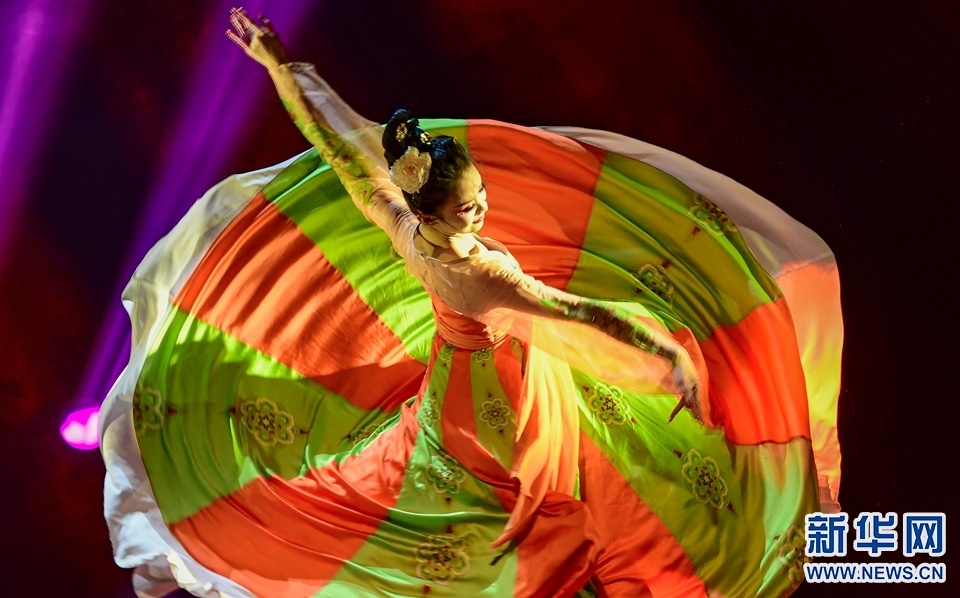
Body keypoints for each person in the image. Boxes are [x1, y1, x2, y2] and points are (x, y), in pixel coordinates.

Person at [100, 8, 843, 597]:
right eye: (467, 208)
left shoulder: (401, 222)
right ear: (432, 211)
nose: (482, 212)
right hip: (498, 388)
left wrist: (283, 69)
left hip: (466, 367)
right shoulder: (479, 276)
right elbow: (574, 313)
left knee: (538, 446)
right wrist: (665, 353)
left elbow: (341, 146)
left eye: (480, 196)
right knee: (540, 479)